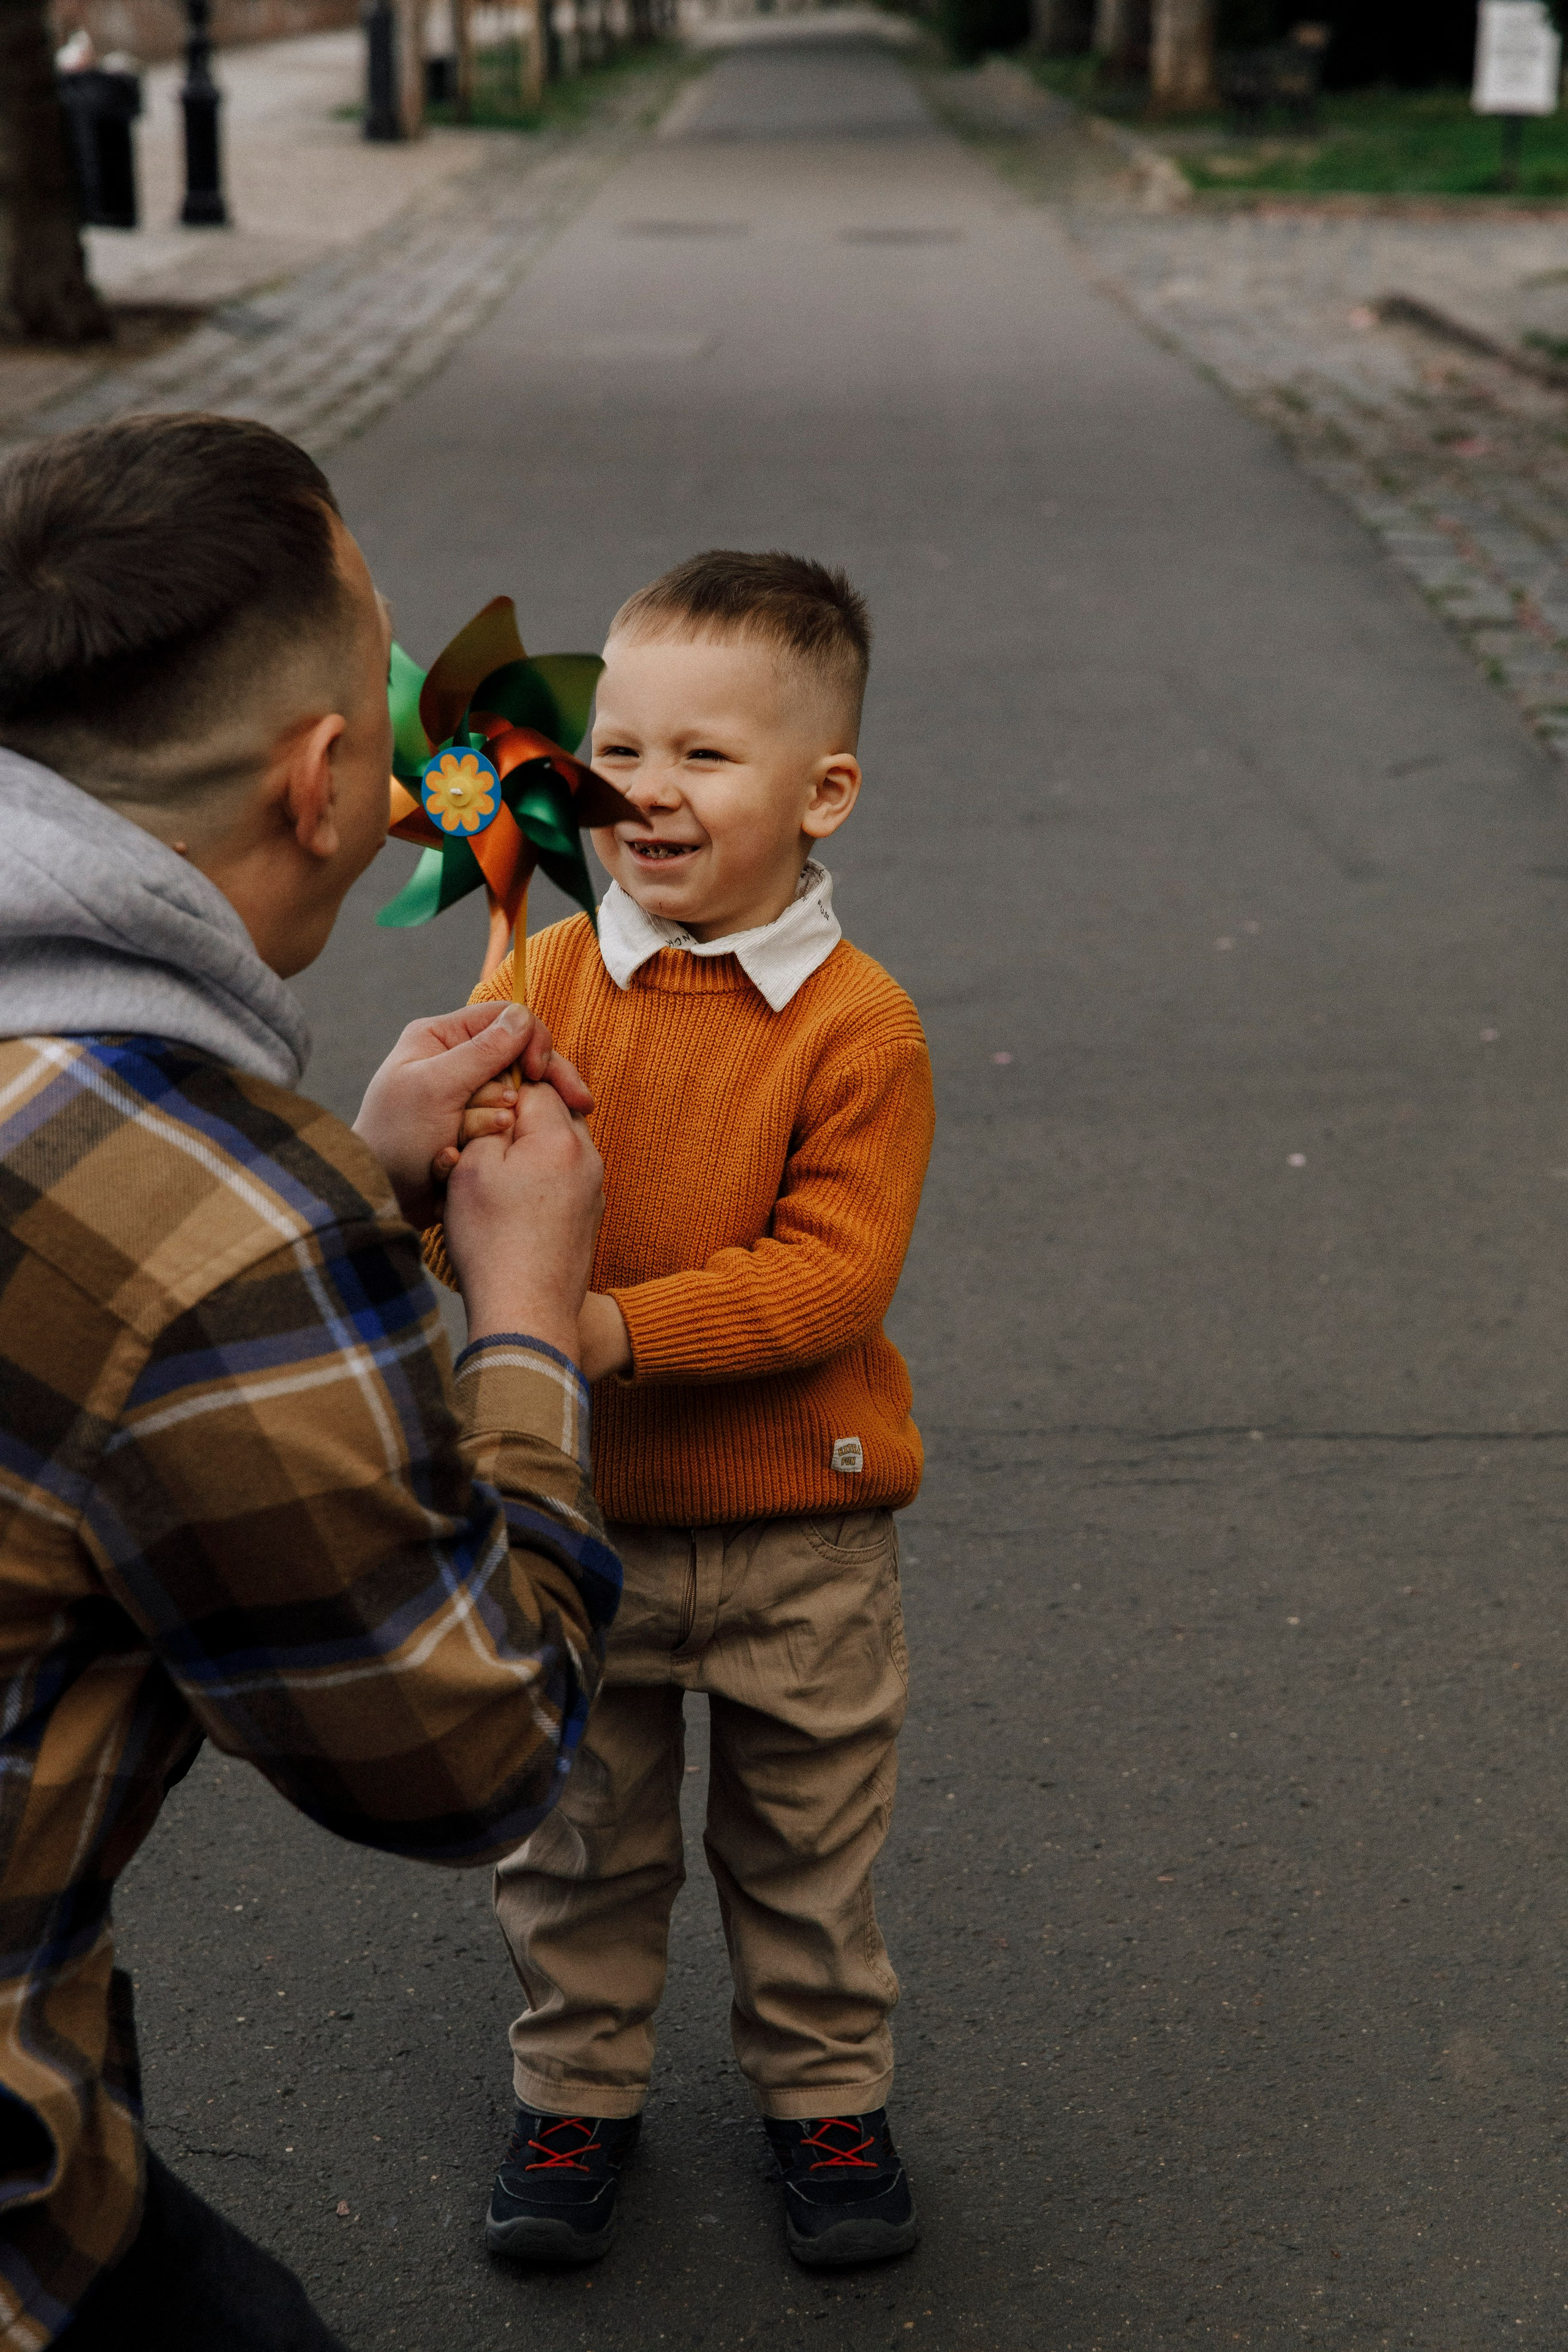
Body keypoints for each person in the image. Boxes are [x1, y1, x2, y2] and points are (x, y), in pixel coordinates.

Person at [0, 413, 618, 2351]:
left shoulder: (186, 1192)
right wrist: (518, 1314)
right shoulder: (220, 1233)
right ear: (332, 779)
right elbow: (466, 1751)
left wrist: (328, 1180)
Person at [431, 550, 935, 2269]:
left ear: (824, 794)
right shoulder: (537, 977)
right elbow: (470, 1237)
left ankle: (826, 2101)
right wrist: (464, 1187)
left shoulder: (861, 1031)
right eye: (620, 747)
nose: (646, 787)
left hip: (803, 1525)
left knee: (806, 1850)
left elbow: (827, 1281)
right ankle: (576, 2092)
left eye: (706, 756)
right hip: (587, 1516)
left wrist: (595, 1323)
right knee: (578, 1846)